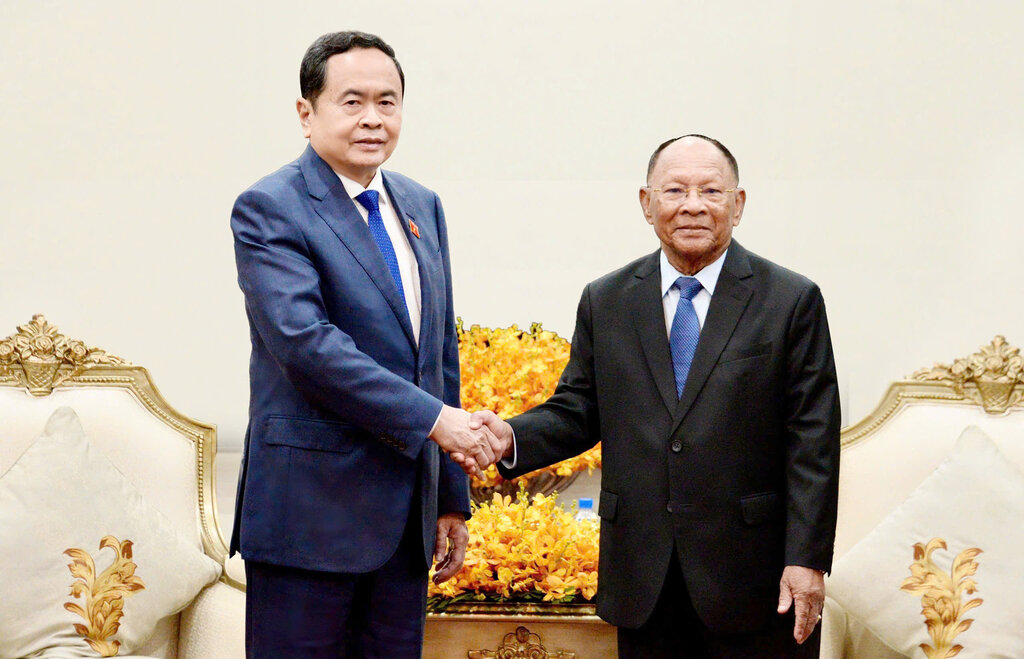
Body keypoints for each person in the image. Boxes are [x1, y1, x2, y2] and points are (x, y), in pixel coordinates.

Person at [466, 135, 841, 657]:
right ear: (647, 203)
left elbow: (814, 441)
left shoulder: (790, 300)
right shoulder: (608, 299)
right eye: (675, 190)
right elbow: (579, 409)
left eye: (711, 190)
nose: (692, 205)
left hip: (755, 578)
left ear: (739, 204)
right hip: (643, 573)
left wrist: (807, 560)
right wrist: (508, 436)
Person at [229, 31, 502, 658]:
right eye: (351, 102)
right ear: (307, 113)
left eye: (388, 101)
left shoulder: (420, 205)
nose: (373, 118)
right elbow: (306, 346)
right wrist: (438, 423)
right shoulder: (270, 207)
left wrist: (450, 500)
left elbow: (437, 357)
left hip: (404, 524)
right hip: (309, 519)